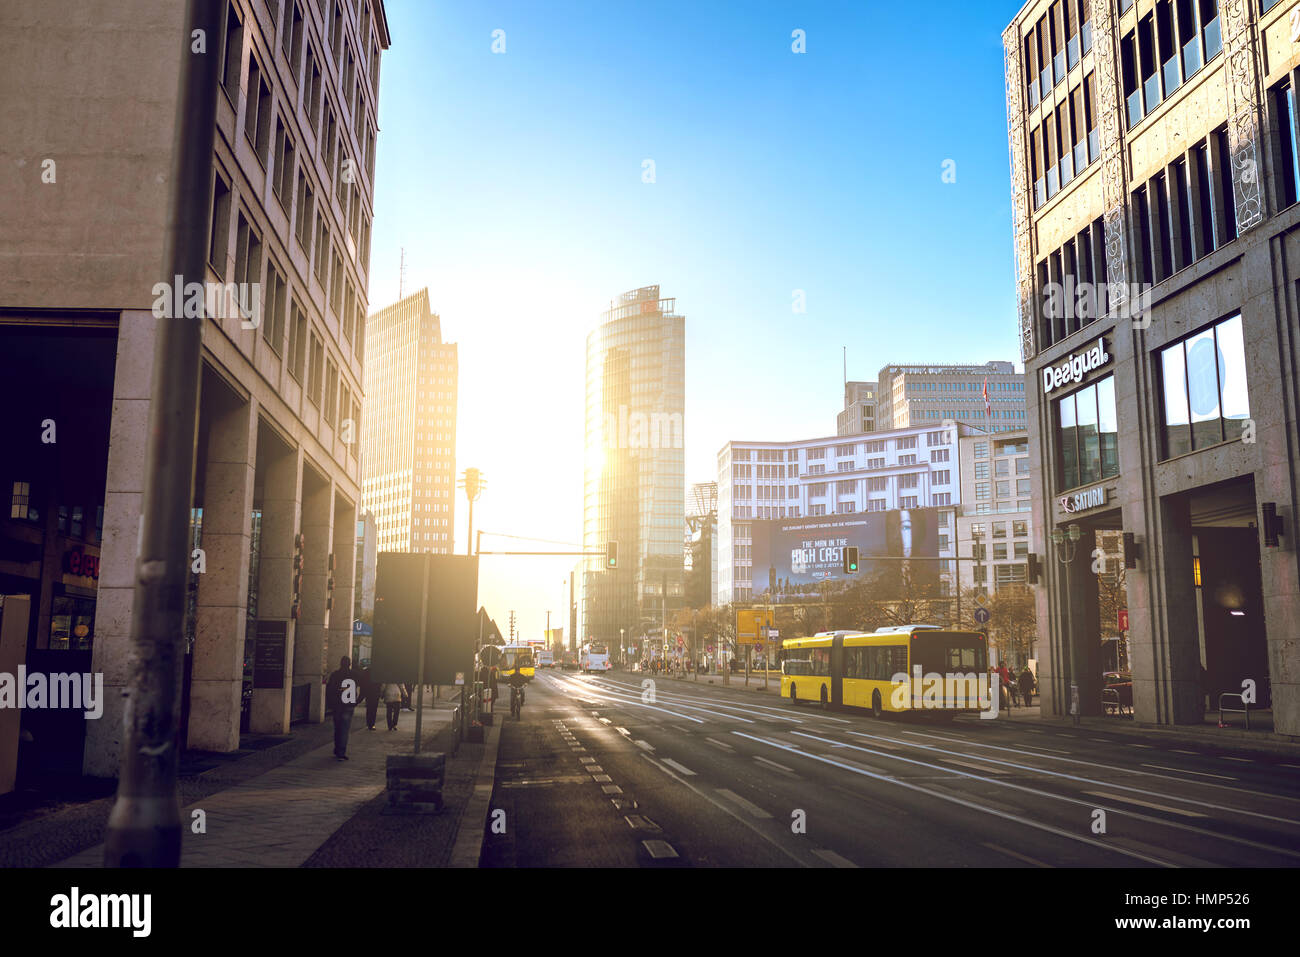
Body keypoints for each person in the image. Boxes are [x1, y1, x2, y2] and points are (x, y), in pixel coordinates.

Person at [325, 656, 358, 760]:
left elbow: (330, 689)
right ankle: (341, 752)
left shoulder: (335, 675)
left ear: (340, 663)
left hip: (337, 704)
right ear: (349, 664)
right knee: (344, 729)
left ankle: (337, 748)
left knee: (337, 728)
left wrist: (330, 703)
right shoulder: (353, 674)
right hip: (348, 704)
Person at [359, 666, 380, 730]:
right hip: (375, 693)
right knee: (374, 709)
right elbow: (379, 683)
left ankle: (369, 723)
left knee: (369, 708)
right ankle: (372, 724)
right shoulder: (377, 672)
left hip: (368, 692)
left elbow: (363, 682)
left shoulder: (366, 671)